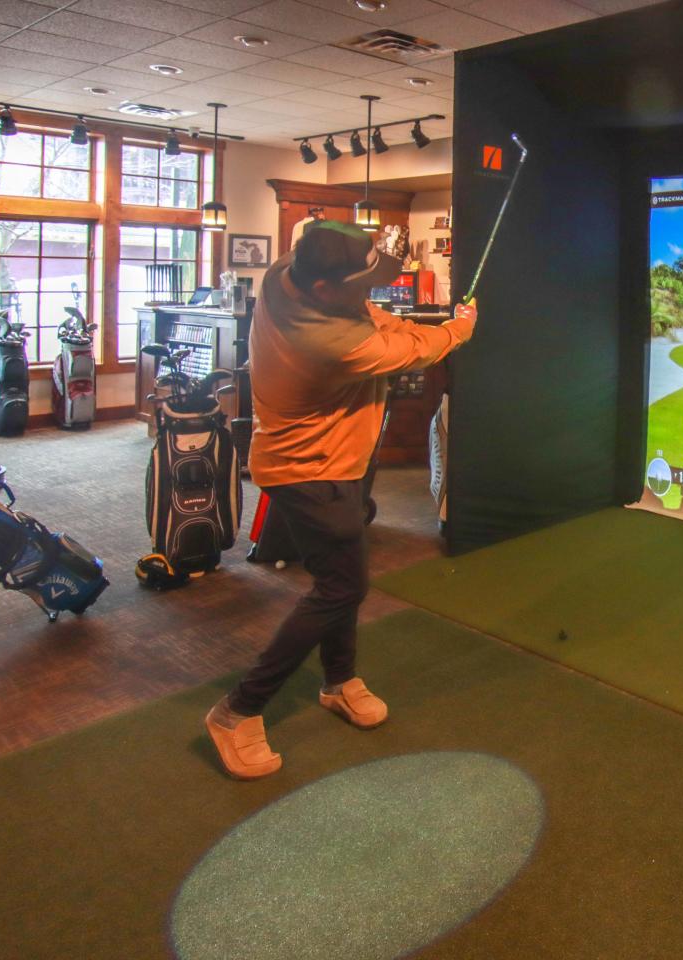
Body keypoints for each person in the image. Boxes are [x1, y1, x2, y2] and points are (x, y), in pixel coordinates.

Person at [205, 221, 477, 780]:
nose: (369, 292)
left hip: (336, 461)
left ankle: (338, 680)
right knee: (343, 587)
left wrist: (405, 313)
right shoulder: (329, 341)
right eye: (360, 283)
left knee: (339, 577)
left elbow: (374, 314)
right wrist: (460, 326)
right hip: (309, 470)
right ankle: (239, 710)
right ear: (327, 288)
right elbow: (414, 350)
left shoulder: (287, 272)